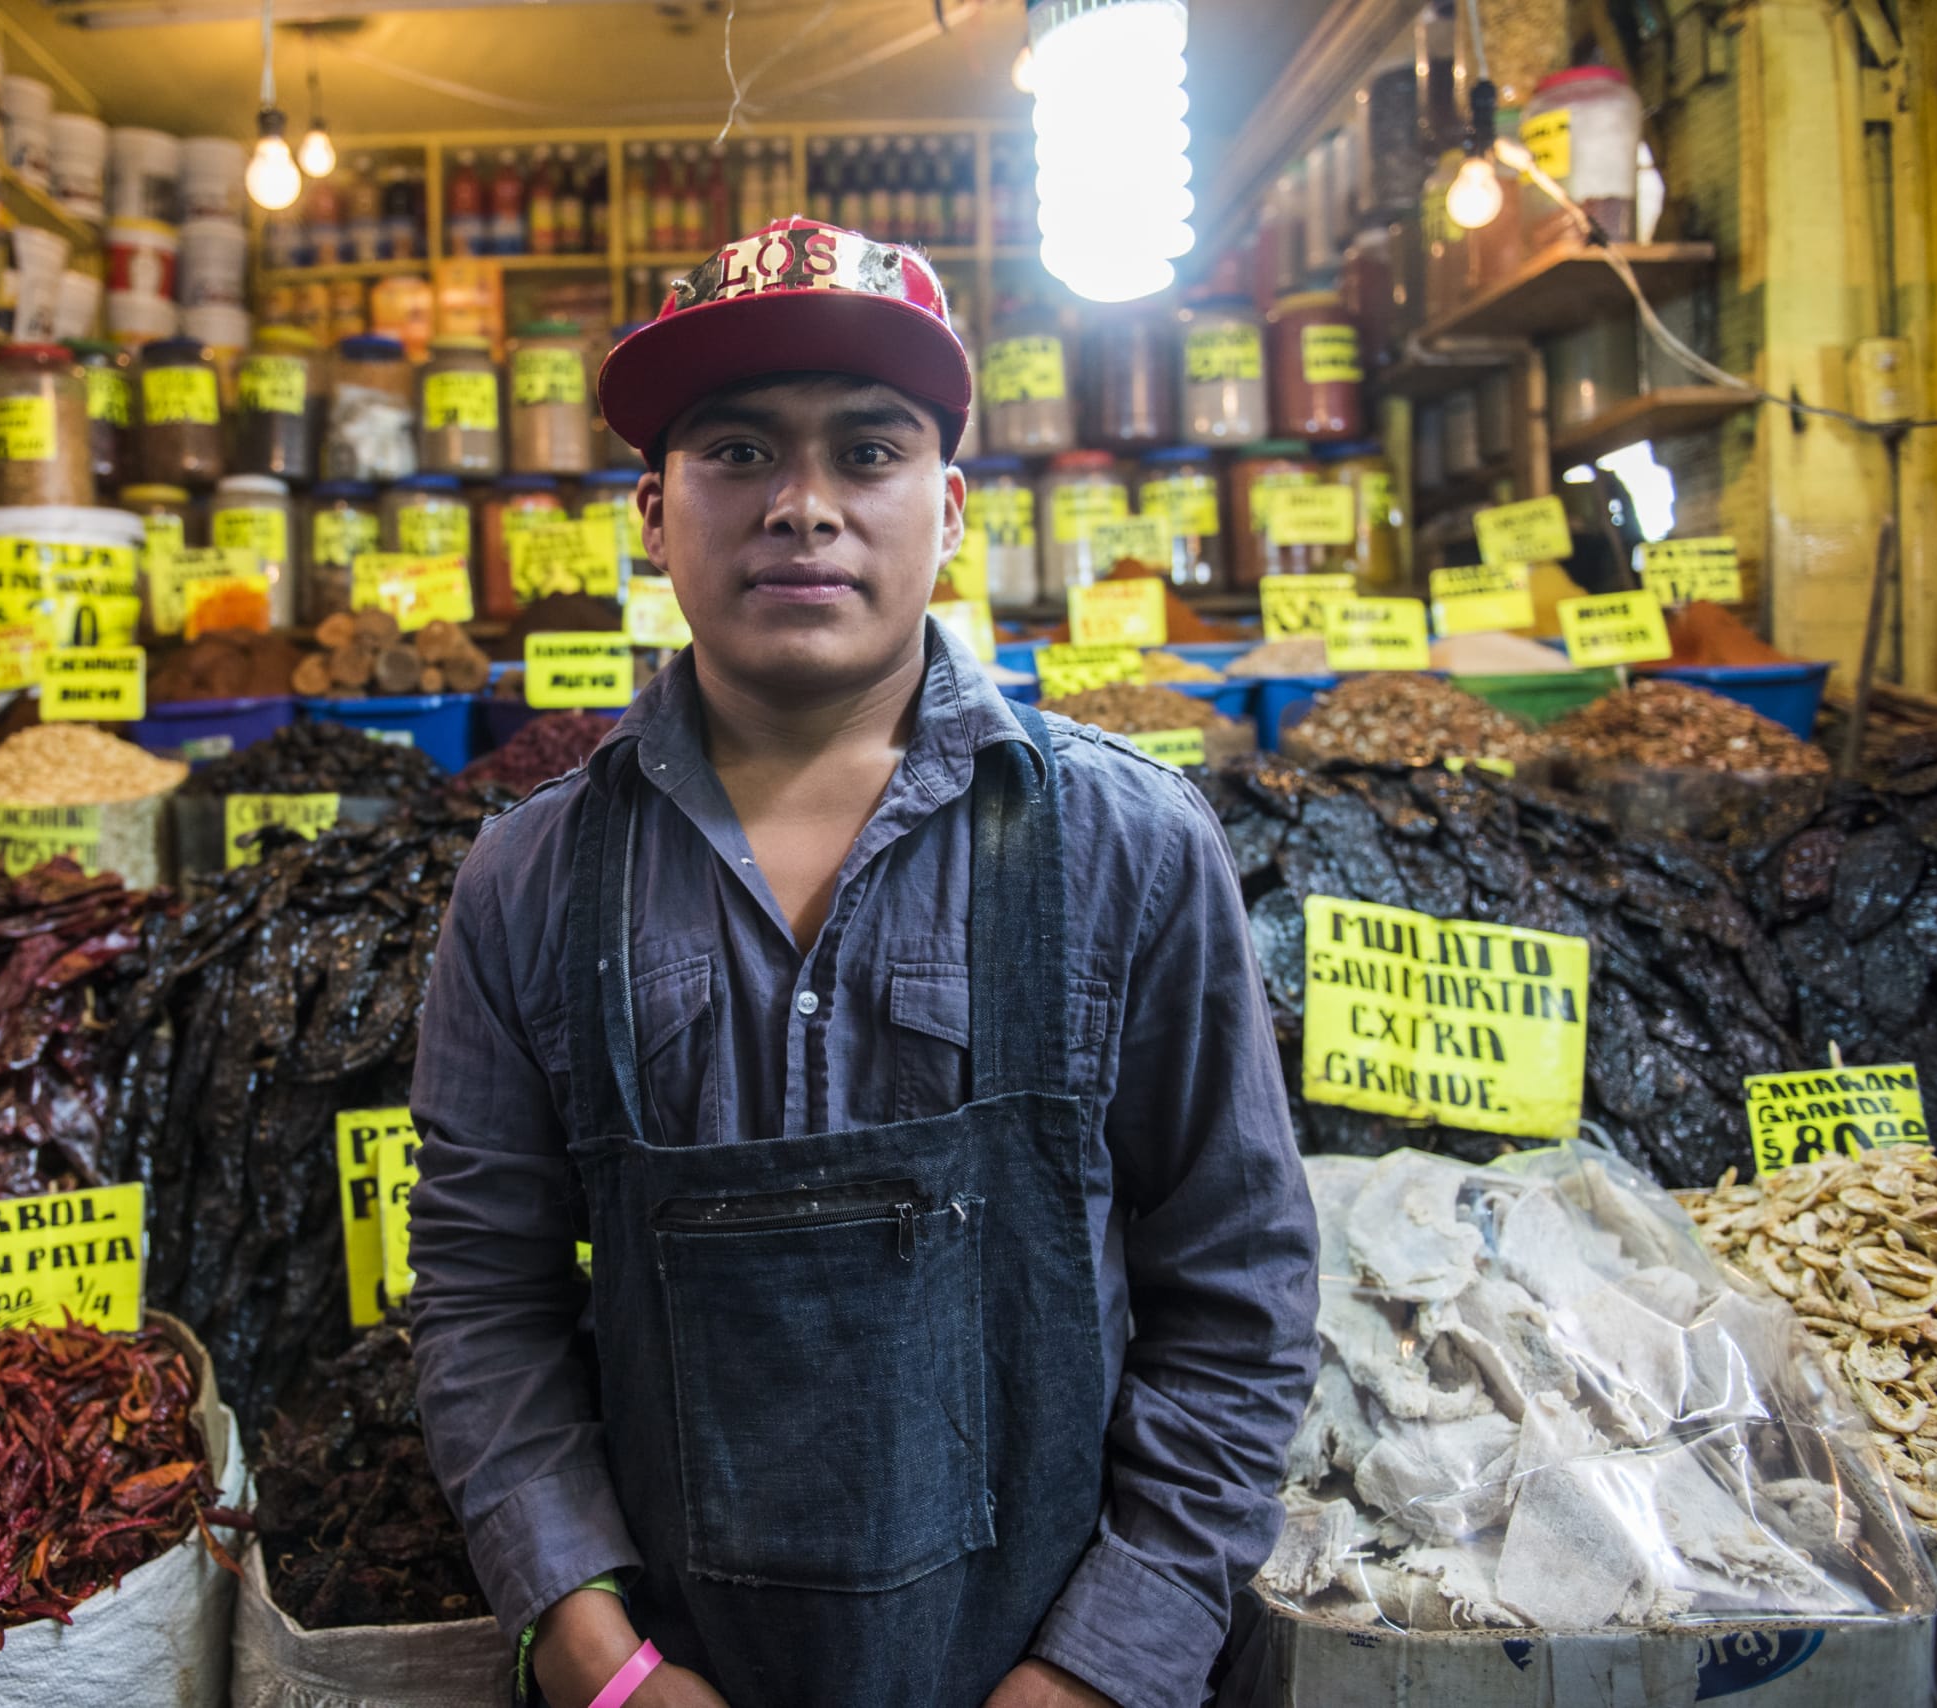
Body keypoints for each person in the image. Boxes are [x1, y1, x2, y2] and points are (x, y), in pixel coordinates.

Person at [407, 217, 1319, 1708]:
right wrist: (595, 1653)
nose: (805, 507)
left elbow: (1237, 1285)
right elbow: (480, 1297)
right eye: (740, 453)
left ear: (952, 508)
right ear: (653, 508)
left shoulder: (1135, 846)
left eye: (870, 453)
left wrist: (1108, 1663)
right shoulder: (527, 883)